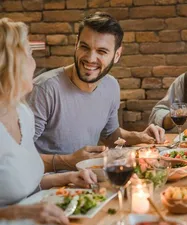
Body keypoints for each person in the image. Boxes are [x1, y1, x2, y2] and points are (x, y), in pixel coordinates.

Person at [27, 12, 165, 173]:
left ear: (117, 55)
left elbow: (110, 136)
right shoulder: (44, 89)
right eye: (85, 47)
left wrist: (140, 136)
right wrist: (67, 161)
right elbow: (14, 155)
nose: (91, 58)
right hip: (44, 188)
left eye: (101, 51)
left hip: (87, 183)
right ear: (76, 45)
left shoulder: (111, 86)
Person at [0, 18, 96, 225]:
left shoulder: (22, 113)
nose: (35, 64)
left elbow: (21, 184)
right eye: (29, 54)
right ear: (11, 64)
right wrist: (13, 214)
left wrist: (68, 178)